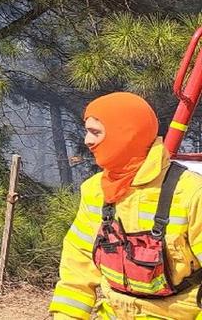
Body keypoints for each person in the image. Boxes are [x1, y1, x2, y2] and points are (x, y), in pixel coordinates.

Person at [50, 92, 202, 319]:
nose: (87, 141)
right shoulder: (94, 191)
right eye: (87, 131)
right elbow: (77, 270)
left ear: (126, 135)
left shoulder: (190, 192)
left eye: (95, 132)